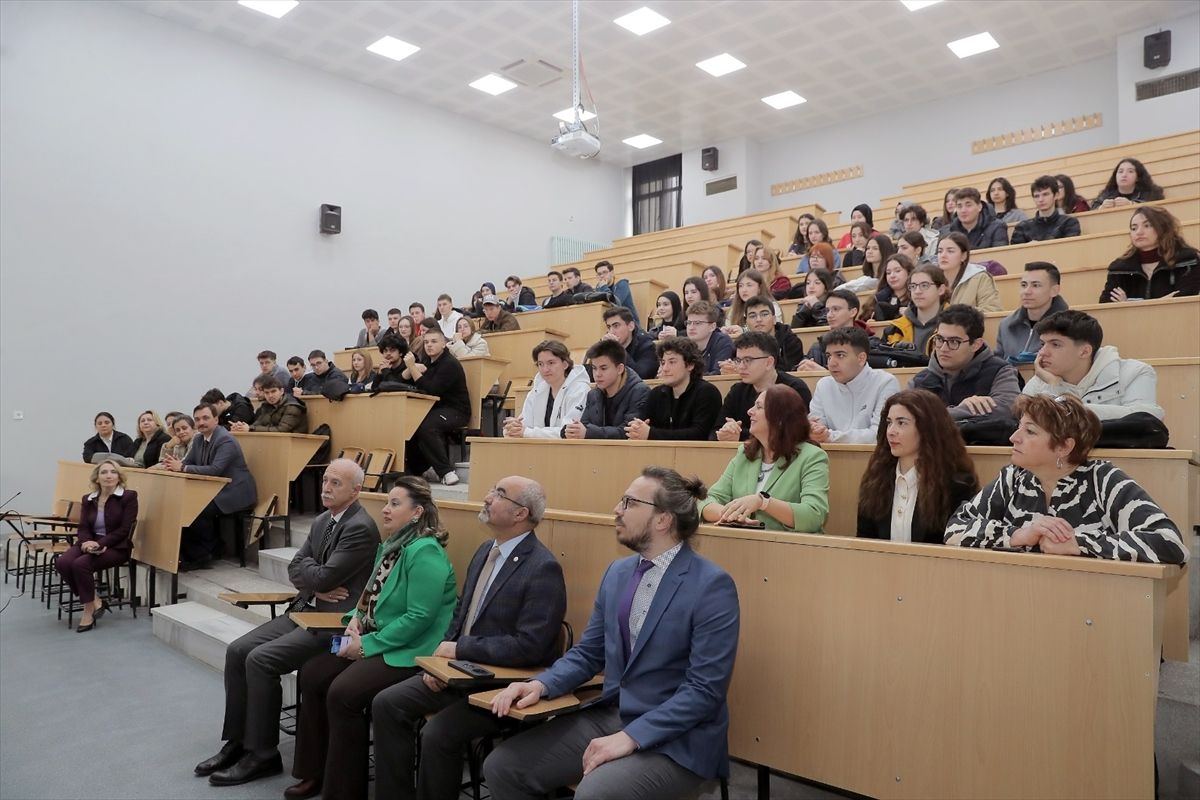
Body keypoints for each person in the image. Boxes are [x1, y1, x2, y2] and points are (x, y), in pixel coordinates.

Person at [483, 467, 740, 800]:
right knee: (503, 767)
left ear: (662, 519)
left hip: (680, 737)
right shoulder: (618, 572)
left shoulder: (711, 586)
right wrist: (540, 684)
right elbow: (590, 652)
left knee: (595, 793)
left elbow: (705, 691)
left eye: (629, 503)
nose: (617, 510)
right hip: (613, 714)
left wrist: (633, 736)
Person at [371, 477, 567, 800]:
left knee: (437, 735)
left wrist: (460, 649)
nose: (488, 497)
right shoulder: (485, 550)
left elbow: (531, 646)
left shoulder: (542, 567)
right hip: (457, 674)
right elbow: (460, 616)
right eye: (493, 489)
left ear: (521, 514)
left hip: (500, 685)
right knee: (386, 704)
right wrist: (438, 666)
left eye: (499, 494)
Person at [196, 459, 378, 789]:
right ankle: (238, 740)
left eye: (336, 482)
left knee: (261, 660)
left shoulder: (360, 527)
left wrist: (314, 579)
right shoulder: (324, 519)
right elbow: (298, 569)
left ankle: (263, 753)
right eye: (325, 479)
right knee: (237, 650)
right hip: (304, 608)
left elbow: (321, 574)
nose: (326, 486)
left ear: (357, 490)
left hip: (332, 622)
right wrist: (315, 584)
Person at [285, 477, 458, 800]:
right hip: (379, 636)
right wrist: (353, 623)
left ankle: (344, 790)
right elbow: (369, 599)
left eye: (395, 503)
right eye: (386, 502)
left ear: (418, 512)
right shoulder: (391, 545)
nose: (386, 509)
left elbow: (419, 617)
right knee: (312, 674)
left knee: (343, 693)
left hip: (412, 650)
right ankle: (316, 772)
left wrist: (367, 645)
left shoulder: (425, 552)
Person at [945, 395, 1188, 564]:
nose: (1013, 438)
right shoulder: (1013, 477)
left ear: (1063, 446)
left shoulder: (1102, 479)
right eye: (1019, 427)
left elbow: (1169, 543)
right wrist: (1018, 535)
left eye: (1029, 431)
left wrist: (1078, 544)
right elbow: (955, 530)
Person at [856, 390, 979, 544]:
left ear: (927, 429)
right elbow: (864, 543)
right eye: (889, 422)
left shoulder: (957, 484)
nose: (891, 432)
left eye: (901, 423)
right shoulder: (875, 479)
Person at [701, 385, 829, 532]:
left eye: (759, 406)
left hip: (791, 550)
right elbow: (707, 500)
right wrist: (731, 515)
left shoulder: (812, 457)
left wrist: (763, 502)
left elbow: (814, 516)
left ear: (780, 418)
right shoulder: (745, 452)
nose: (749, 411)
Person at [1021, 310, 1163, 421]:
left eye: (1055, 344)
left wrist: (1063, 403)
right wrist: (1054, 385)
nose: (1042, 352)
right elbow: (1023, 424)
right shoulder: (1042, 379)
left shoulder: (1135, 372)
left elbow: (1146, 418)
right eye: (1042, 344)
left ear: (1084, 351)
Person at [163, 403, 257, 569]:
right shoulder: (199, 439)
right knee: (177, 504)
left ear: (216, 419)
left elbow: (215, 470)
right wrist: (173, 465)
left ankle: (203, 555)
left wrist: (182, 468)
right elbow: (187, 462)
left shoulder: (225, 439)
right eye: (197, 419)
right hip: (215, 489)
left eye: (206, 418)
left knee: (195, 509)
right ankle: (188, 554)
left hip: (235, 492)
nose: (201, 422)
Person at [54, 460, 138, 632]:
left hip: (116, 546)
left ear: (119, 476)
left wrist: (100, 544)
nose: (109, 476)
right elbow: (83, 527)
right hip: (88, 542)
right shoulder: (88, 499)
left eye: (113, 472)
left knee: (80, 565)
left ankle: (88, 611)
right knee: (63, 562)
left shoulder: (129, 497)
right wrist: (86, 543)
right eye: (104, 472)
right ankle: (95, 600)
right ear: (97, 478)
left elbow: (124, 530)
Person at [909, 304, 1020, 426]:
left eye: (954, 342)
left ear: (976, 344)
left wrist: (936, 417)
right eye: (939, 339)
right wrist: (963, 409)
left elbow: (1007, 410)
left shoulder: (1001, 371)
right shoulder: (919, 381)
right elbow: (907, 418)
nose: (943, 348)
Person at [401, 326, 471, 485]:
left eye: (434, 341)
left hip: (456, 411)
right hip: (435, 410)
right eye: (426, 342)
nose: (429, 345)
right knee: (411, 424)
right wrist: (411, 369)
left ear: (444, 344)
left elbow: (432, 390)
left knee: (426, 426)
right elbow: (406, 380)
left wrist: (412, 367)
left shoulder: (449, 363)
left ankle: (446, 471)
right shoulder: (427, 362)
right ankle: (416, 471)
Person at [713, 331, 811, 442]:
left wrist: (740, 434)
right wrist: (725, 432)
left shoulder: (794, 389)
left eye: (748, 360)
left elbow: (795, 433)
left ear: (769, 362)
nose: (741, 367)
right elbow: (716, 430)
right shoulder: (737, 391)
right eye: (738, 360)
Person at [808, 327, 899, 444]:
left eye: (840, 355)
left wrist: (830, 436)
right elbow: (816, 425)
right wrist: (815, 430)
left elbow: (880, 434)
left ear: (861, 358)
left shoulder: (885, 382)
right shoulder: (824, 385)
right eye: (828, 356)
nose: (831, 363)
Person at [626, 337, 722, 441]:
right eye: (663, 363)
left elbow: (700, 434)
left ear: (690, 365)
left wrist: (651, 433)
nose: (665, 368)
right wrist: (636, 429)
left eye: (672, 362)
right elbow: (643, 423)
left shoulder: (707, 393)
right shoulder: (656, 394)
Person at [1100, 206, 1199, 302]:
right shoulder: (1120, 268)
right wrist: (1161, 301)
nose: (1139, 232)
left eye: (1147, 226)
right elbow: (1107, 304)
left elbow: (1187, 297)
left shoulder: (1187, 260)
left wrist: (1128, 304)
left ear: (1163, 229)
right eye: (1134, 228)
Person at [566, 339, 650, 440]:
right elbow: (584, 426)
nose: (597, 374)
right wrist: (571, 430)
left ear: (619, 369)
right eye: (594, 368)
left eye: (603, 368)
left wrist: (589, 432)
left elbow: (628, 431)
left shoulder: (640, 392)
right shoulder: (593, 394)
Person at [505, 340, 590, 439]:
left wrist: (528, 433)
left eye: (551, 363)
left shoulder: (580, 390)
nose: (545, 369)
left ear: (565, 364)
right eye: (541, 364)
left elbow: (568, 432)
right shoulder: (536, 391)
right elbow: (523, 425)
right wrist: (512, 428)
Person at [994, 262, 1069, 362]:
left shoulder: (1069, 326)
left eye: (1036, 285)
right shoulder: (1006, 325)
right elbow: (997, 365)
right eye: (1024, 285)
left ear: (1054, 290)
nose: (1027, 291)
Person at [879, 263, 948, 354]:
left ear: (941, 289)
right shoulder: (894, 329)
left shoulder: (957, 324)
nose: (917, 291)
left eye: (924, 285)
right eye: (913, 286)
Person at [795, 289, 868, 370]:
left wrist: (823, 373)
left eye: (836, 309)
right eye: (827, 310)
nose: (829, 315)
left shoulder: (868, 344)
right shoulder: (817, 348)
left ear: (853, 312)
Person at [936, 231, 1001, 311]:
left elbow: (992, 310)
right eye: (940, 251)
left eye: (950, 251)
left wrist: (960, 316)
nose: (943, 255)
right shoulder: (930, 279)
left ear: (964, 256)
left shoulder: (980, 278)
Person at [736, 294, 804, 371]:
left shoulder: (791, 342)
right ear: (747, 322)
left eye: (764, 314)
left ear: (774, 319)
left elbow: (789, 372)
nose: (758, 319)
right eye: (752, 316)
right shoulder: (741, 345)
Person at [1010, 175, 1082, 244]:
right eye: (1036, 196)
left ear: (1056, 195)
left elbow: (1070, 250)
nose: (1040, 200)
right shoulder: (1022, 227)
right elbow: (1016, 254)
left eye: (1045, 194)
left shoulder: (1069, 223)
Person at [938, 187, 1008, 250]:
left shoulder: (997, 227)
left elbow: (999, 258)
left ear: (979, 207)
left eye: (968, 205)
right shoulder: (946, 232)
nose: (963, 210)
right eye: (959, 206)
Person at [233, 375, 307, 433]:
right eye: (267, 393)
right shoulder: (266, 406)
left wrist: (250, 428)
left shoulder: (292, 407)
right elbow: (257, 424)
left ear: (281, 391)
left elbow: (282, 430)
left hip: (295, 444)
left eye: (273, 391)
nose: (270, 396)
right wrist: (241, 427)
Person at [602, 306, 658, 380]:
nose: (611, 332)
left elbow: (641, 375)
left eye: (616, 326)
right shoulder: (608, 346)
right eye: (609, 327)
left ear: (631, 326)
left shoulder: (647, 346)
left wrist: (618, 348)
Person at [724, 269, 782, 336]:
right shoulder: (733, 310)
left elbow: (774, 331)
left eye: (749, 285)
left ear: (759, 288)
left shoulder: (772, 306)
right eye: (741, 286)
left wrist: (743, 332)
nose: (744, 290)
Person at [1091, 157, 1165, 209]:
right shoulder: (1106, 195)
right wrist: (1101, 208)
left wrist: (1131, 204)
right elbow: (1092, 209)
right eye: (1120, 171)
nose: (1124, 175)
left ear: (1138, 177)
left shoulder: (1149, 193)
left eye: (1130, 171)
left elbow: (1155, 208)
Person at [685, 301, 735, 375]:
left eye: (698, 323)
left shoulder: (723, 342)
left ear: (712, 327)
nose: (691, 327)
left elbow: (717, 374)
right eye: (689, 323)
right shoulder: (684, 346)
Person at [873, 253, 914, 322]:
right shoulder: (879, 298)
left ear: (909, 272)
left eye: (897, 271)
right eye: (888, 273)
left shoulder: (917, 297)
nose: (892, 276)